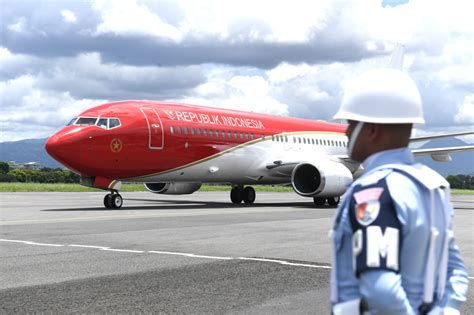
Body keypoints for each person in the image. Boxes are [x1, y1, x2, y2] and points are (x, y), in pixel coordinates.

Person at [330, 68, 469, 314]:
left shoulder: (372, 191)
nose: (346, 132)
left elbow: (380, 290)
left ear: (372, 130)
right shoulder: (433, 186)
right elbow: (455, 271)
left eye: (352, 123)